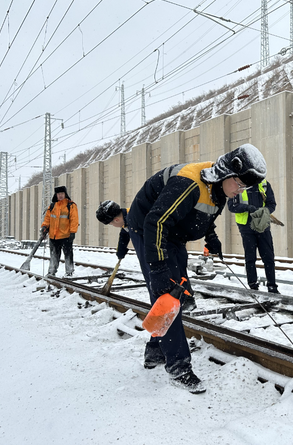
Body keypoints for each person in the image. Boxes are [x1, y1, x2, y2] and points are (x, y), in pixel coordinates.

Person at [95, 144, 267, 393]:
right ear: (227, 174)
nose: (239, 192)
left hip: (172, 231)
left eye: (245, 188)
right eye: (239, 185)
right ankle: (178, 367)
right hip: (148, 228)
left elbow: (204, 210)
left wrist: (211, 237)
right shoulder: (188, 183)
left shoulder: (219, 186)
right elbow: (156, 222)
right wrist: (159, 268)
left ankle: (155, 351)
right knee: (168, 295)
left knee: (180, 291)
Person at [227, 179, 278, 293]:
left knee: (268, 257)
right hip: (246, 226)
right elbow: (231, 206)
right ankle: (253, 286)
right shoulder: (238, 186)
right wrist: (247, 208)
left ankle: (272, 286)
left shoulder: (264, 185)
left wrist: (263, 211)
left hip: (262, 225)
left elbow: (271, 203)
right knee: (250, 258)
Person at [41, 185, 79, 277]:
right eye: (58, 194)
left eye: (62, 193)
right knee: (54, 255)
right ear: (56, 195)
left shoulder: (71, 205)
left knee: (68, 254)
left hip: (66, 235)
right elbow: (47, 219)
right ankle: (51, 272)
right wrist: (44, 227)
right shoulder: (52, 206)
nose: (60, 195)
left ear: (65, 194)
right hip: (53, 236)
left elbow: (74, 219)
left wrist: (73, 232)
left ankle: (69, 272)